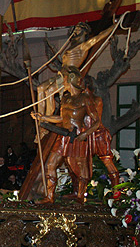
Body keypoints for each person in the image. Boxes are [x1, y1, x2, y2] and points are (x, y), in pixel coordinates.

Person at [31, 66, 100, 204]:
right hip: (63, 135)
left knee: (81, 167)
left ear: (72, 81)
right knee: (51, 164)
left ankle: (80, 196)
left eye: (65, 81)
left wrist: (85, 134)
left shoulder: (84, 99)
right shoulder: (66, 99)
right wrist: (43, 117)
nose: (63, 85)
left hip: (77, 136)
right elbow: (61, 119)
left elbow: (97, 121)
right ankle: (49, 197)